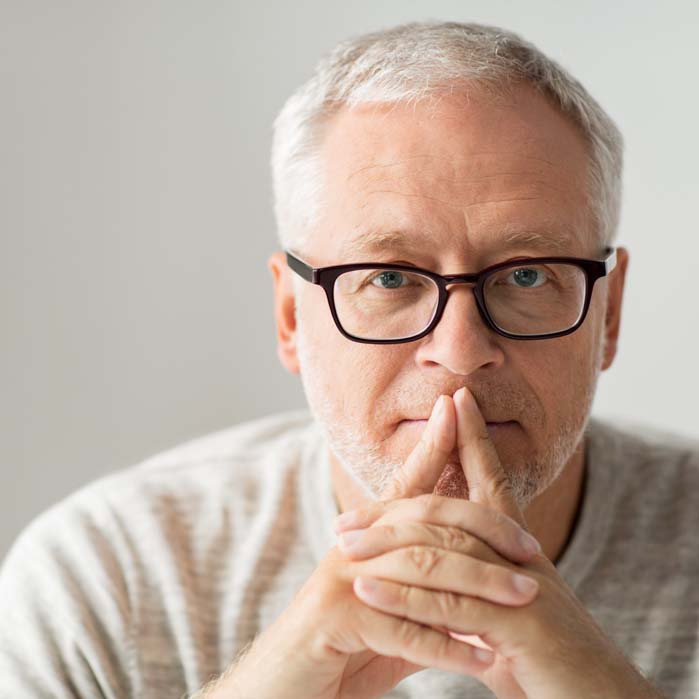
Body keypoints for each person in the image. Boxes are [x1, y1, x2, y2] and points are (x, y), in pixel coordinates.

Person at [1, 20, 697, 699]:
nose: (458, 355)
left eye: (525, 276)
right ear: (288, 317)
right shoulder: (104, 576)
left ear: (607, 313)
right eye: (389, 278)